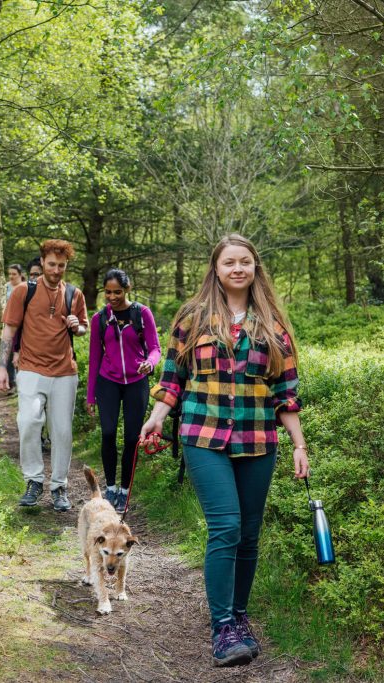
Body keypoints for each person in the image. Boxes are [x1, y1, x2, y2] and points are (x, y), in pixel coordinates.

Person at [140, 234, 309, 667]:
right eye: (229, 262)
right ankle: (222, 627)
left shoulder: (274, 326)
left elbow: (285, 393)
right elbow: (174, 376)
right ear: (215, 269)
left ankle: (238, 615)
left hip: (257, 440)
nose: (238, 269)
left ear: (256, 268)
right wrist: (158, 416)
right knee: (227, 527)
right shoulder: (194, 318)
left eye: (246, 262)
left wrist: (299, 445)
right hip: (203, 436)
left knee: (249, 535)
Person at [0, 240, 88, 511]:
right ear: (42, 262)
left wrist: (77, 326)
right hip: (30, 369)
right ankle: (34, 481)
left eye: (61, 265)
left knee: (62, 431)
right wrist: (3, 368)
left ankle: (59, 487)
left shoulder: (74, 294)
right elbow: (9, 332)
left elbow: (83, 328)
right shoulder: (24, 291)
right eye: (51, 264)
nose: (56, 270)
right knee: (28, 421)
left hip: (64, 372)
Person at [86, 269, 162, 513]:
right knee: (108, 433)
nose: (112, 296)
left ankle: (125, 490)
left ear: (127, 289)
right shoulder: (100, 319)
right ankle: (110, 488)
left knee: (132, 438)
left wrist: (149, 364)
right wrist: (90, 395)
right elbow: (95, 358)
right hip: (108, 381)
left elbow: (155, 349)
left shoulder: (142, 313)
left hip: (136, 382)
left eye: (117, 292)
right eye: (108, 292)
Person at [4, 264, 25, 389]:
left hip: (24, 325)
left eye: (14, 274)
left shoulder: (26, 287)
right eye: (10, 274)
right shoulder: (5, 287)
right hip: (9, 323)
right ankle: (12, 382)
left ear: (20, 274)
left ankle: (22, 380)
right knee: (9, 351)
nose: (11, 276)